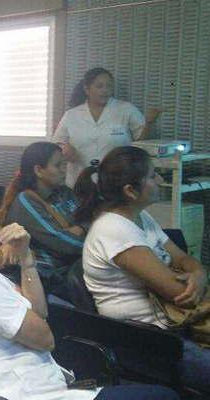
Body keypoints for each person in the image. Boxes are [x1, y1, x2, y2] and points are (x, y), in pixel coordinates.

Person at [0, 184, 177, 400]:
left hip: (34, 386)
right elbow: (45, 338)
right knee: (163, 396)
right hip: (22, 393)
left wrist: (26, 259)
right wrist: (35, 318)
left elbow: (39, 310)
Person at [75, 145, 210, 392]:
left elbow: (183, 258)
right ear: (130, 191)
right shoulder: (114, 230)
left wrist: (199, 273)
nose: (159, 180)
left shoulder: (139, 218)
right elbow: (178, 293)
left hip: (173, 325)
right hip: (149, 341)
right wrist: (197, 279)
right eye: (152, 176)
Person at [0, 142, 84, 301]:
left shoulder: (63, 192)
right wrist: (93, 243)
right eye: (58, 165)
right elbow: (65, 243)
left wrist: (81, 228)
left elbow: (88, 218)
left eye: (64, 164)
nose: (64, 170)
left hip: (70, 267)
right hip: (49, 278)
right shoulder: (26, 201)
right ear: (38, 170)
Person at [51, 67, 162, 187]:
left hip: (118, 181)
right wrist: (65, 148)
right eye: (99, 86)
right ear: (87, 89)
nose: (105, 90)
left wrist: (149, 123)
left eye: (108, 86)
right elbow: (56, 144)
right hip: (79, 182)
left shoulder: (126, 109)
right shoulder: (71, 115)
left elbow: (141, 145)